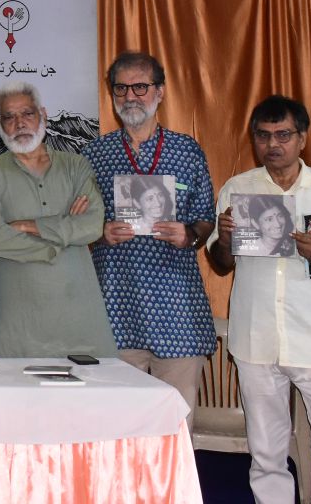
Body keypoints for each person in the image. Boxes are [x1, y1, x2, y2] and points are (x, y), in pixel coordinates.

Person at [208, 94, 311, 504]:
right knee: (266, 456)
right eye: (263, 136)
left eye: (283, 135)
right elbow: (220, 264)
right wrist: (225, 240)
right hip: (257, 340)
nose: (273, 145)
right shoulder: (238, 189)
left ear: (303, 138)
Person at [86, 51, 217, 411]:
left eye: (140, 87)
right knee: (116, 421)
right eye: (121, 88)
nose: (130, 96)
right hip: (115, 306)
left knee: (175, 421)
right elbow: (76, 222)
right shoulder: (95, 154)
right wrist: (100, 233)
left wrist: (189, 235)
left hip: (177, 310)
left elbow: (206, 218)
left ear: (160, 91)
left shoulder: (187, 151)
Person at [0, 81, 116, 358]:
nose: (20, 123)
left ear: (44, 116)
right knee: (10, 386)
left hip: (78, 317)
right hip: (14, 320)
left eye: (27, 113)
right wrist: (63, 235)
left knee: (89, 386)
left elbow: (93, 225)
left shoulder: (75, 166)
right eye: (9, 117)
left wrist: (30, 226)